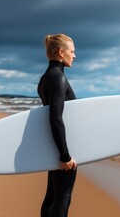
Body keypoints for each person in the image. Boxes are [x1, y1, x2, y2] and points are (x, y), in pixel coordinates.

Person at [37, 34, 77, 217]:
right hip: (61, 146)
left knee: (52, 197)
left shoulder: (46, 77)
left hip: (53, 145)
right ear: (61, 52)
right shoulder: (58, 78)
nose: (74, 55)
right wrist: (65, 155)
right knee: (63, 198)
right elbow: (56, 118)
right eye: (72, 51)